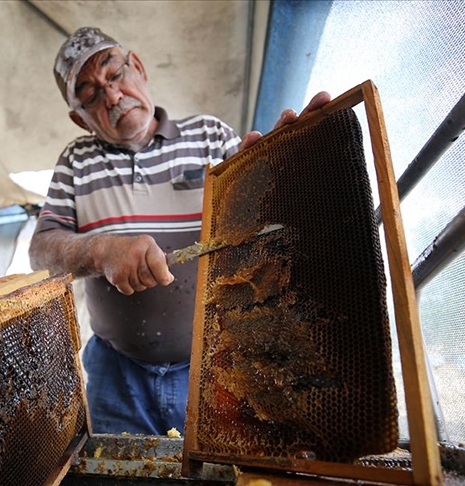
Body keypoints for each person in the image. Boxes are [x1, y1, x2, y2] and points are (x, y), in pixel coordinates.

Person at [29, 27, 330, 435]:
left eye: (113, 74)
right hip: (117, 372)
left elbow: (261, 221)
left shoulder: (210, 135)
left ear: (137, 67)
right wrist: (102, 251)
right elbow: (42, 252)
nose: (113, 96)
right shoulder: (76, 160)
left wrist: (282, 168)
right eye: (90, 94)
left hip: (218, 361)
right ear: (78, 117)